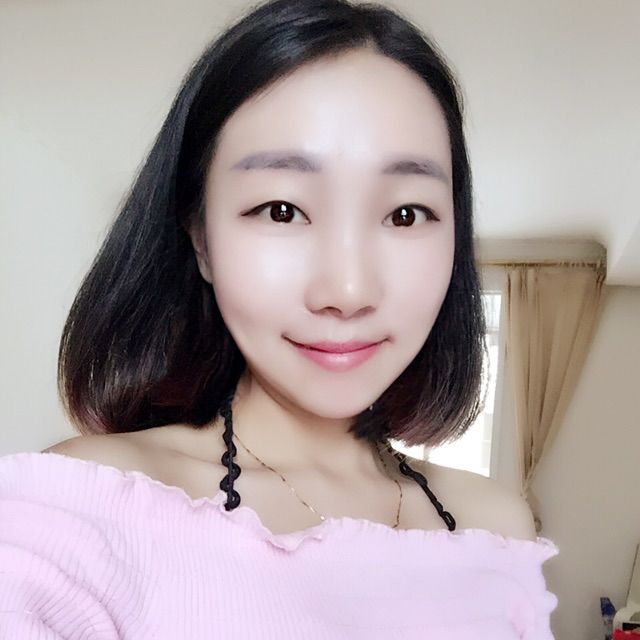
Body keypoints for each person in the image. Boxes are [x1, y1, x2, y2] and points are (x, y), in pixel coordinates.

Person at [0, 0, 560, 637]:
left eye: (406, 214)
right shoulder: (83, 510)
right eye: (281, 210)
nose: (347, 290)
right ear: (201, 239)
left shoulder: (498, 528)